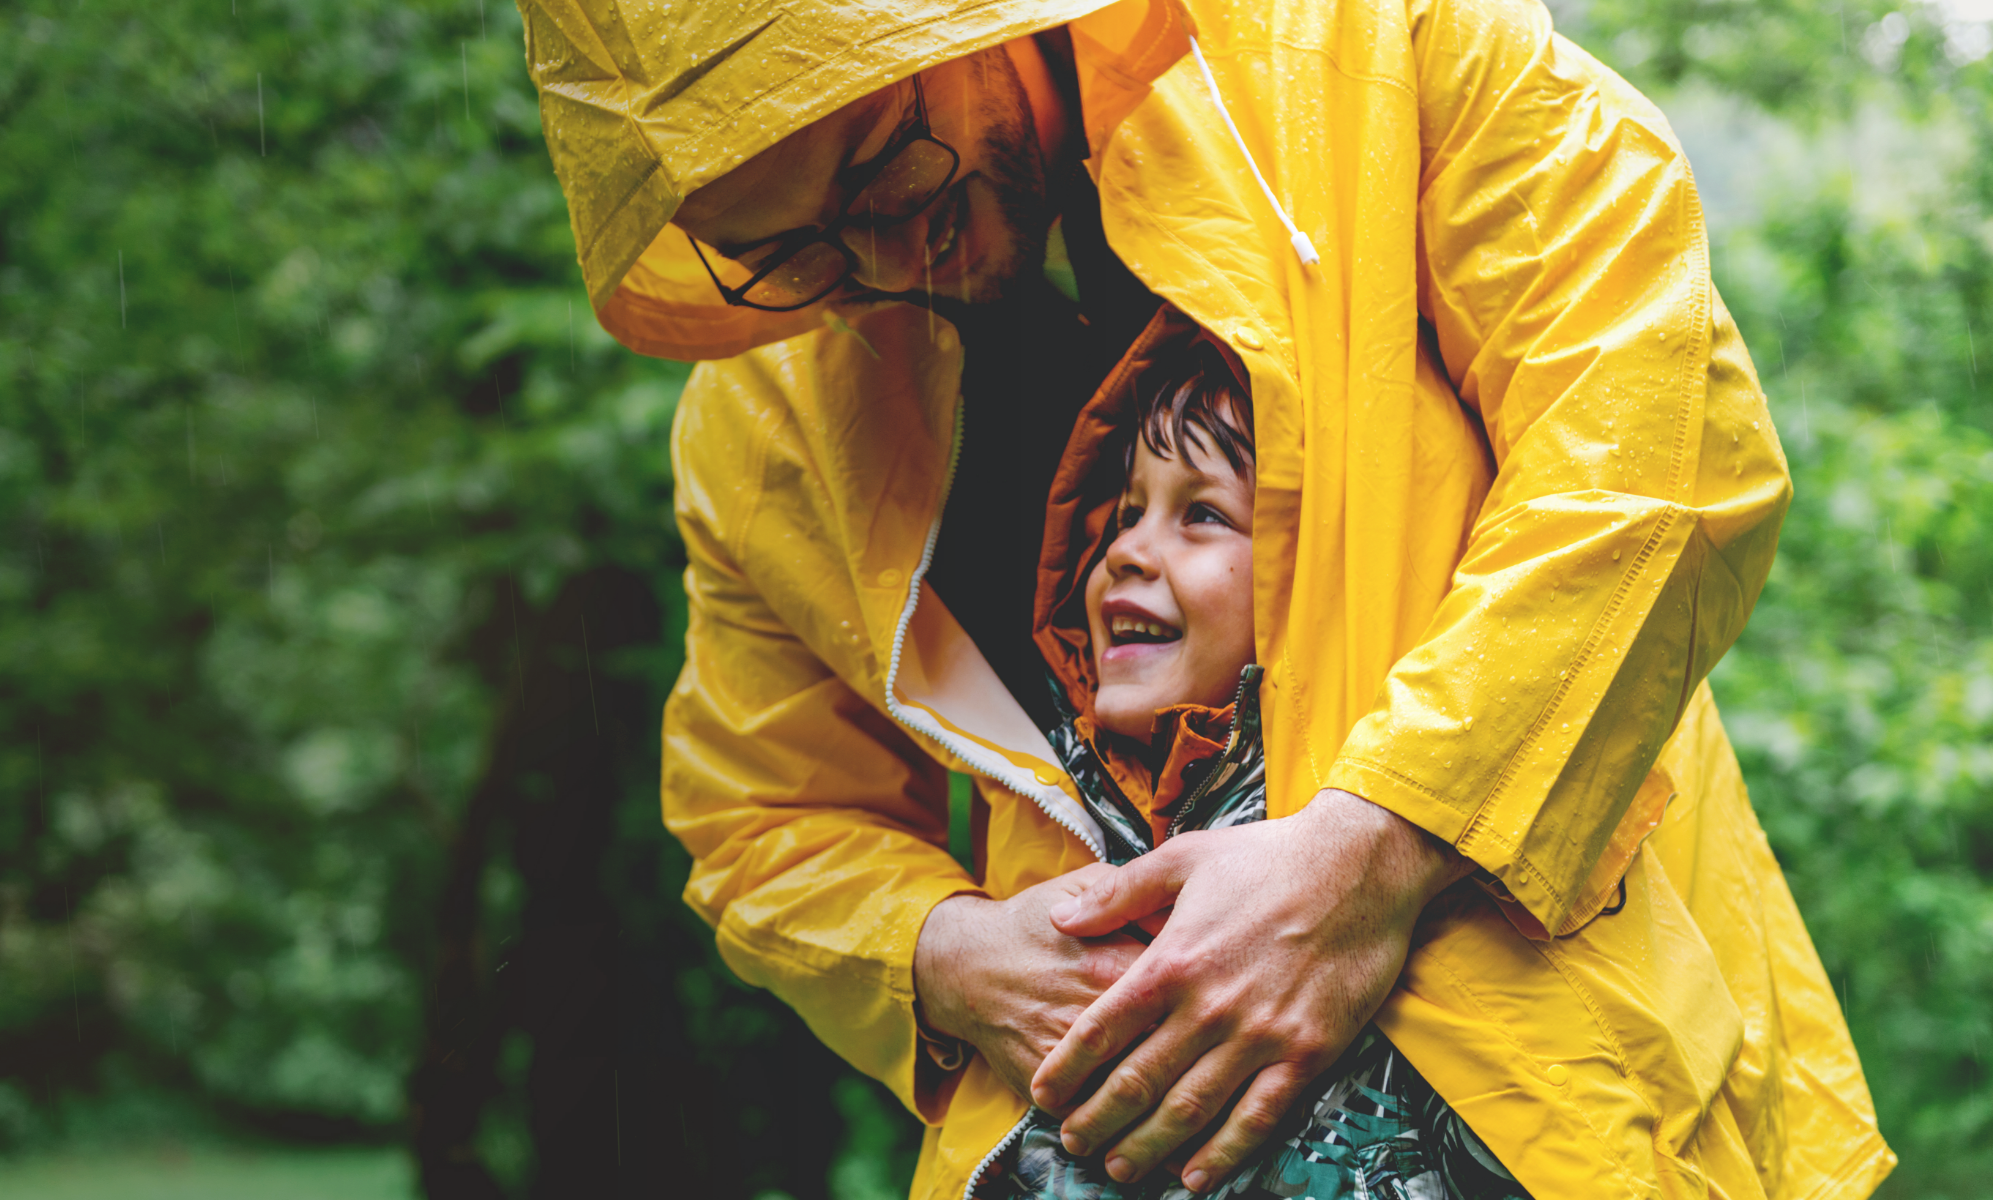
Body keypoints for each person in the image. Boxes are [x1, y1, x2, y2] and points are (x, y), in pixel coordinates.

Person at [519, 0, 1895, 1196]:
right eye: (789, 251)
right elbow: (761, 816)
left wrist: (1378, 851)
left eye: (880, 166)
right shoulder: (765, 424)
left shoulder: (1363, 47)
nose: (879, 260)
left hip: (1558, 1109)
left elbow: (1657, 445)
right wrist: (941, 956)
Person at [982, 309, 1531, 1199]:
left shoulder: (1417, 832)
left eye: (1200, 514)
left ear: (1309, 574)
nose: (1124, 550)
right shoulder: (1062, 808)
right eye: (1125, 513)